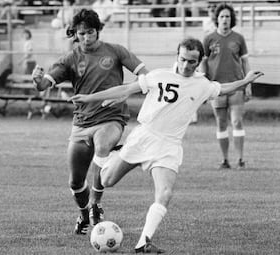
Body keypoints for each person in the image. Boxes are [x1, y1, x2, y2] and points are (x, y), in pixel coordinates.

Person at [69, 37, 263, 253]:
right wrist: (88, 98)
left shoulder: (202, 85)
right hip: (144, 137)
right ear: (177, 57)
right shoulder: (158, 76)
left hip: (169, 146)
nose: (186, 65)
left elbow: (223, 88)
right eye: (183, 60)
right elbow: (124, 89)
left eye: (192, 62)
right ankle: (117, 153)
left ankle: (143, 242)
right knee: (106, 179)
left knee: (165, 193)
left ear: (199, 62)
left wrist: (245, 81)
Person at [32, 9, 148, 235]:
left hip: (111, 118)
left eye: (91, 32)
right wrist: (37, 80)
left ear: (98, 30)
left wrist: (128, 92)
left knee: (103, 146)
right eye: (81, 33)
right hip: (81, 124)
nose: (86, 38)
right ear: (75, 33)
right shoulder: (70, 58)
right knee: (75, 182)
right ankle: (84, 215)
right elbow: (43, 86)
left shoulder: (115, 52)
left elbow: (145, 74)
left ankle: (96, 204)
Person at [201, 3, 251, 170]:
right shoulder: (208, 39)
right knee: (221, 123)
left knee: (237, 121)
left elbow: (245, 62)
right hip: (217, 88)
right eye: (222, 16)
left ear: (232, 19)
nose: (225, 19)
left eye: (228, 16)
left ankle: (241, 159)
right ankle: (225, 160)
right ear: (217, 19)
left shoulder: (239, 38)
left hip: (236, 86)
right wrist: (204, 85)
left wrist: (248, 84)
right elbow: (204, 64)